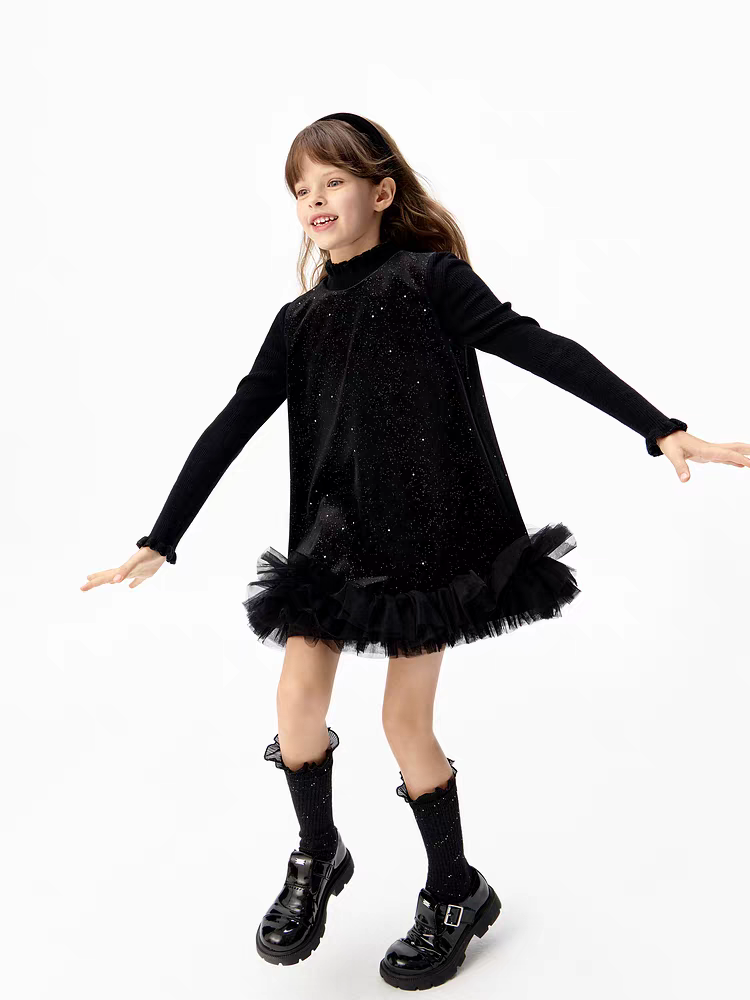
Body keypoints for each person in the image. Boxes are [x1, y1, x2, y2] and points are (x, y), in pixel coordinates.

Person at [80, 112, 750, 990]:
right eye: (301, 189)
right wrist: (159, 538)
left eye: (333, 181)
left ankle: (455, 888)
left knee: (404, 723)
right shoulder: (298, 320)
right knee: (294, 705)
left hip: (424, 547)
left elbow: (539, 347)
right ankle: (319, 853)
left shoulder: (429, 280)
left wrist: (658, 427)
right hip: (330, 543)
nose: (315, 200)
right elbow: (233, 422)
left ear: (381, 191)